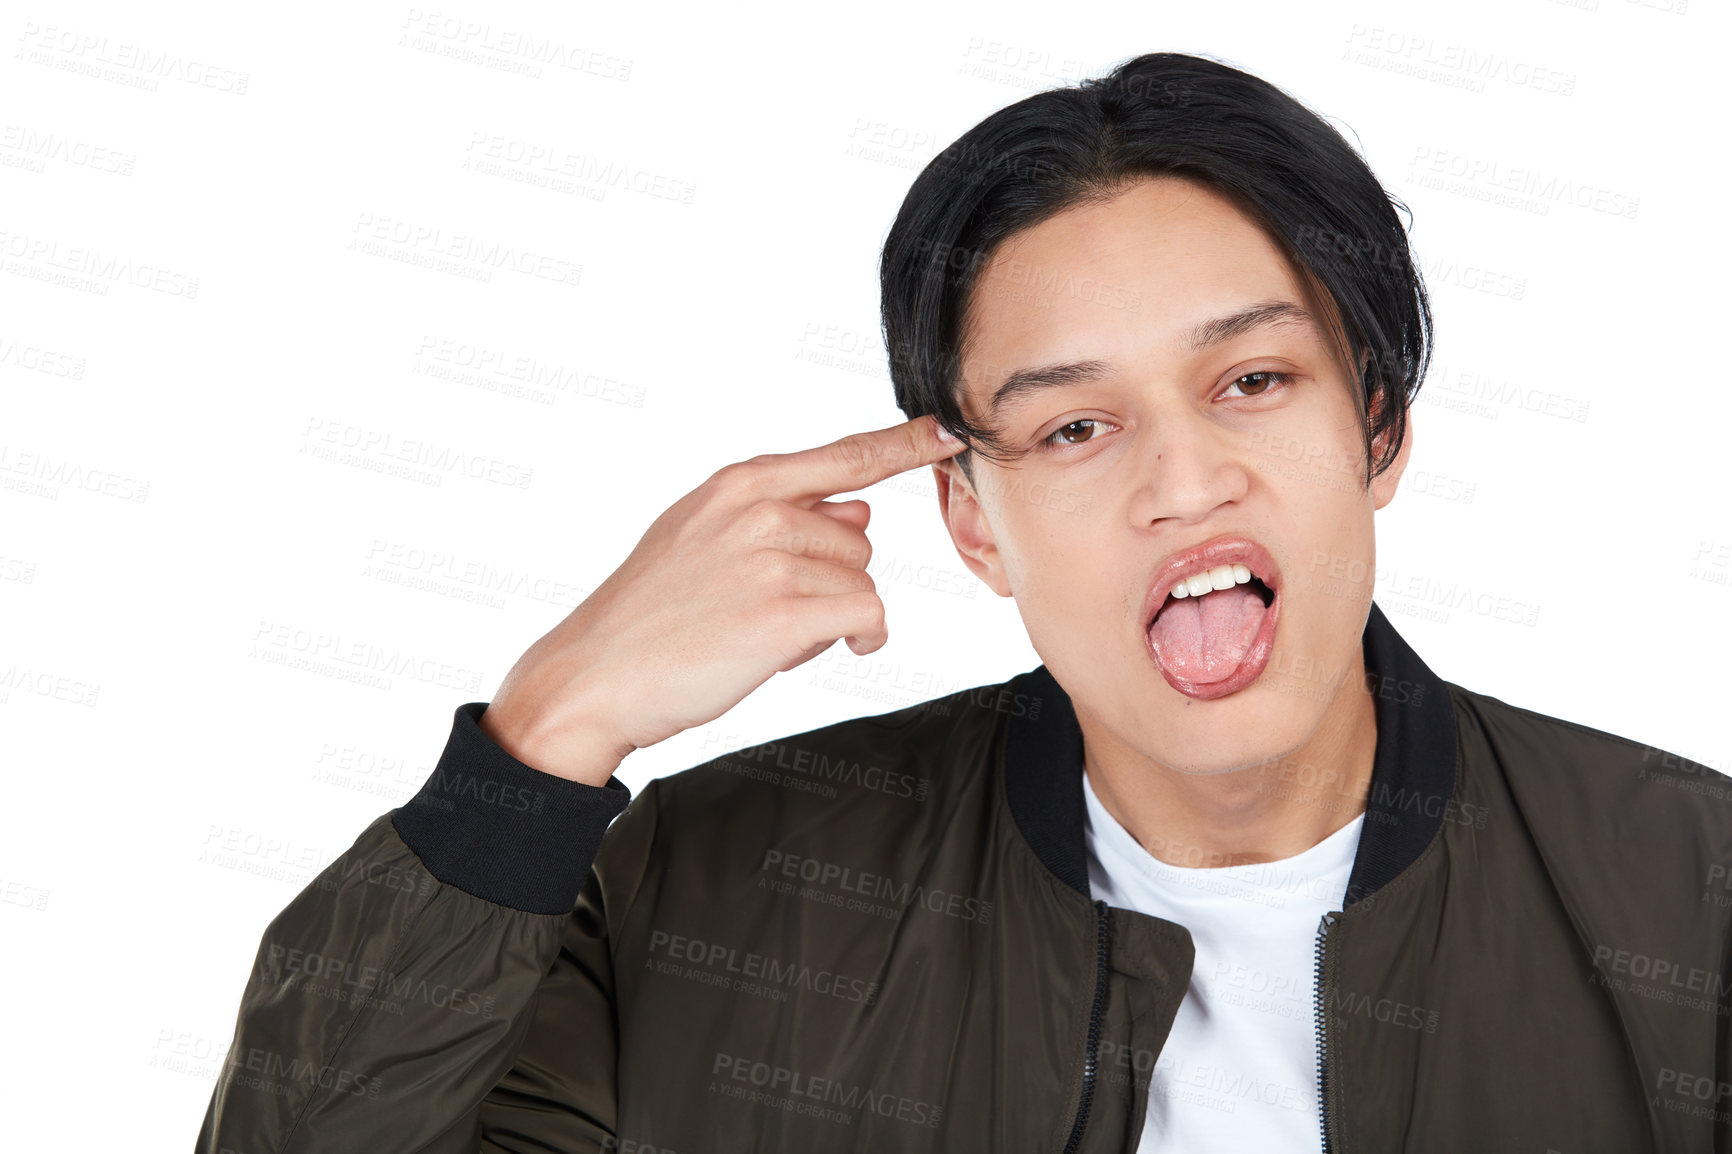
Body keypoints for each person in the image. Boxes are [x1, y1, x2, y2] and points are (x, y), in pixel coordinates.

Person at [196, 52, 1731, 1153]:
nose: (1183, 482)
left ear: (1376, 432)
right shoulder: (717, 899)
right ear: (970, 521)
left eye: (1252, 380)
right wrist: (540, 749)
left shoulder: (1689, 901)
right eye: (1075, 425)